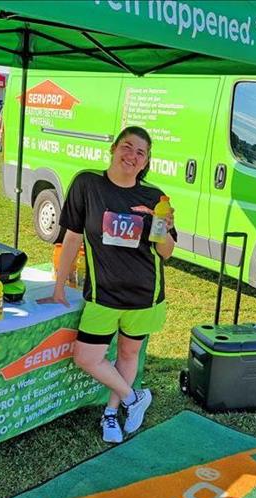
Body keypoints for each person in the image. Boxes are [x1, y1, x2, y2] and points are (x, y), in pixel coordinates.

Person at [38, 126, 176, 443]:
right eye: (127, 147)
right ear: (113, 148)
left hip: (145, 293)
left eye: (141, 152)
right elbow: (72, 236)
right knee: (86, 357)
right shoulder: (87, 184)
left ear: (146, 162)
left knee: (128, 356)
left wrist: (161, 225)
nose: (132, 156)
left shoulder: (155, 198)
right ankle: (133, 398)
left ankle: (111, 414)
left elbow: (165, 252)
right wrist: (59, 287)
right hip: (103, 295)